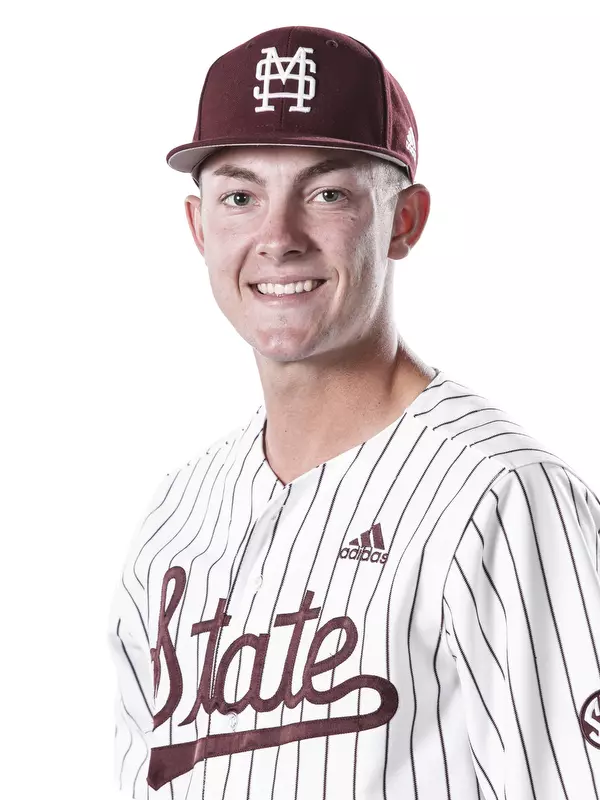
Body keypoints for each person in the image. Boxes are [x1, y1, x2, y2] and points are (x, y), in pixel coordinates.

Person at [107, 24, 600, 800]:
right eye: (241, 196)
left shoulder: (500, 496)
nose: (277, 238)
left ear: (403, 220)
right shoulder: (177, 515)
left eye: (327, 193)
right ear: (200, 228)